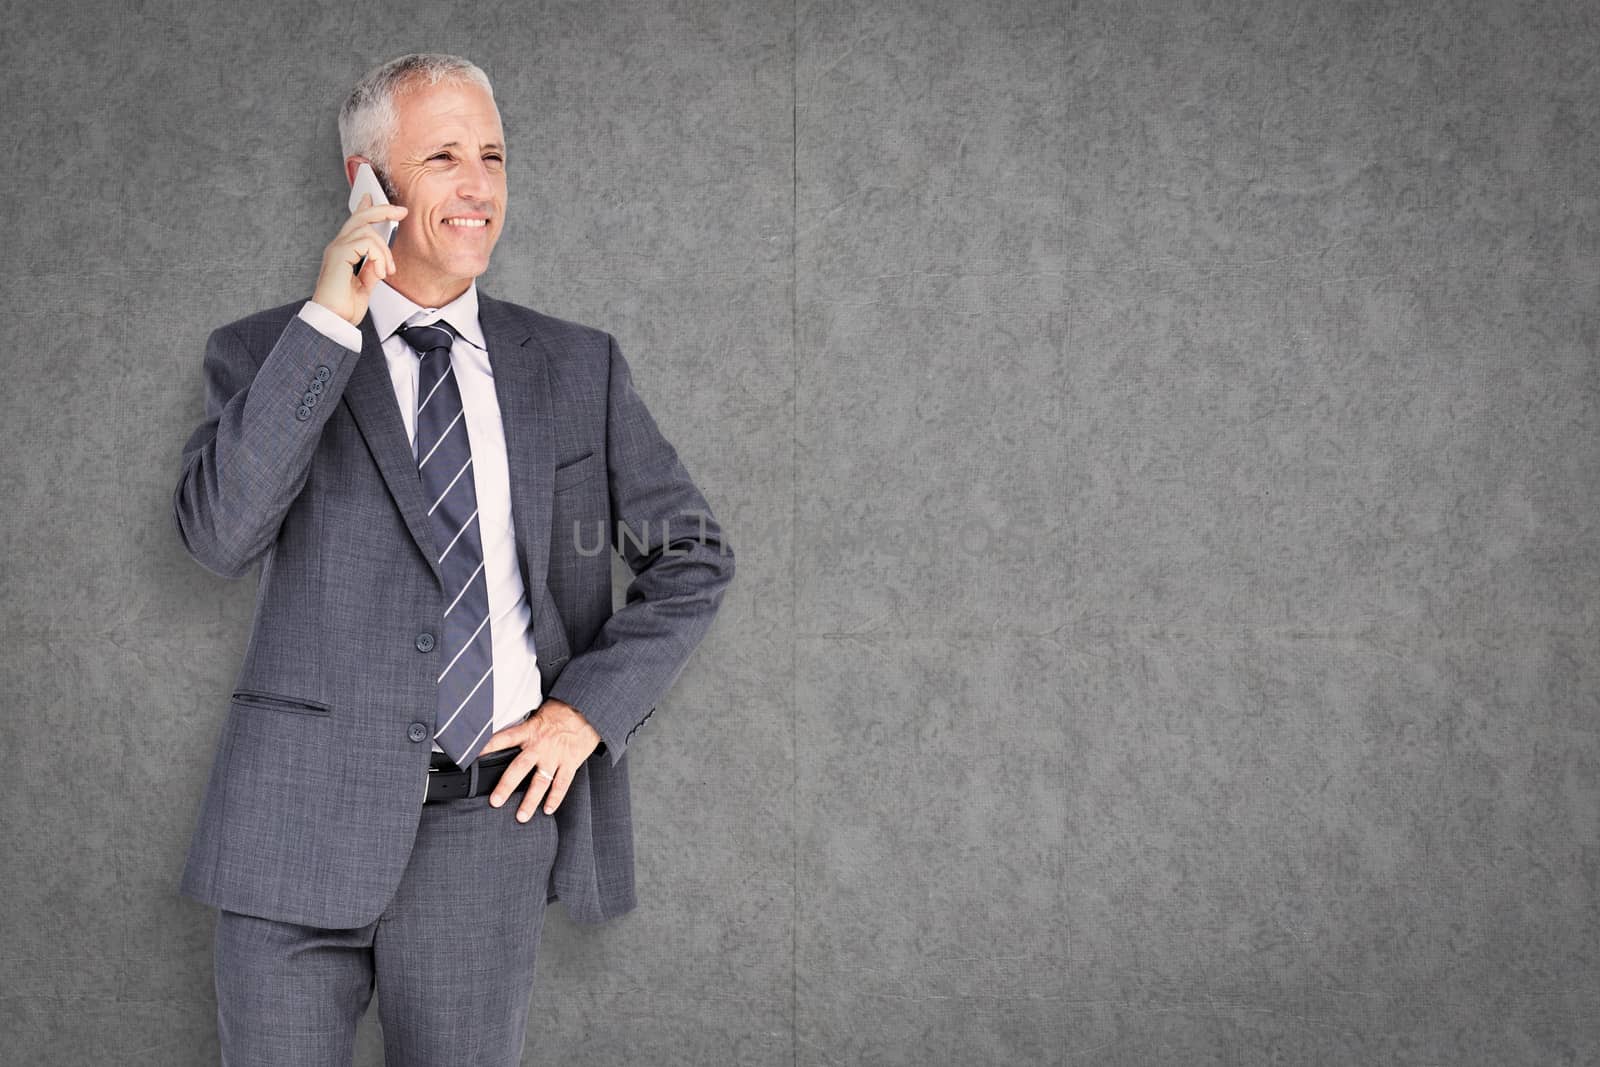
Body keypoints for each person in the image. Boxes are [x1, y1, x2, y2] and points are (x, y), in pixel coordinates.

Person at [171, 52, 735, 1065]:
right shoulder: (267, 353)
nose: (479, 186)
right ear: (368, 184)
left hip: (486, 829)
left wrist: (587, 711)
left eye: (492, 156)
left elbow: (691, 553)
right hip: (292, 828)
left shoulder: (574, 364)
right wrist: (328, 323)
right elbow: (219, 534)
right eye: (442, 156)